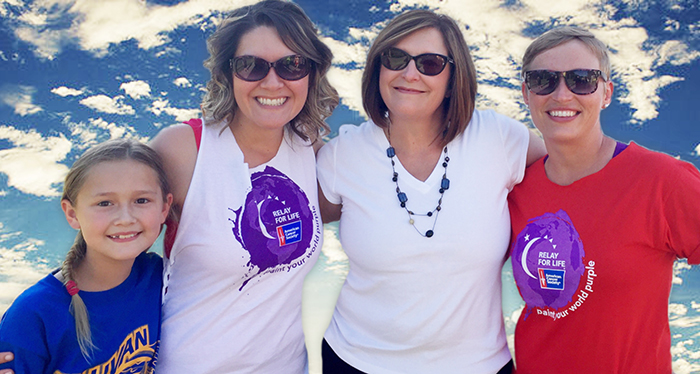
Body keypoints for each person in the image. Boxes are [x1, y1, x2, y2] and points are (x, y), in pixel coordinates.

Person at [316, 10, 545, 374]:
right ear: (378, 68)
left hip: (479, 366)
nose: (410, 74)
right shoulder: (342, 155)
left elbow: (573, 173)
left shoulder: (500, 140)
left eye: (430, 63)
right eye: (395, 59)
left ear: (454, 76)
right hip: (356, 361)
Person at [149, 0, 338, 372]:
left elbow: (381, 213)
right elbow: (106, 240)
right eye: (251, 66)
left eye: (293, 64)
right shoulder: (183, 149)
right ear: (227, 73)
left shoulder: (314, 156)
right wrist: (32, 330)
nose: (272, 82)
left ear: (311, 74)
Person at [508, 26, 700, 373]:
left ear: (606, 93)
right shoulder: (515, 191)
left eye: (582, 79)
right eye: (543, 80)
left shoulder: (662, 180)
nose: (562, 94)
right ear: (526, 92)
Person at [0, 139, 172, 373]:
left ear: (164, 207)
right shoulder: (34, 314)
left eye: (141, 200)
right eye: (104, 203)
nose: (125, 218)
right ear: (72, 214)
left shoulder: (167, 280)